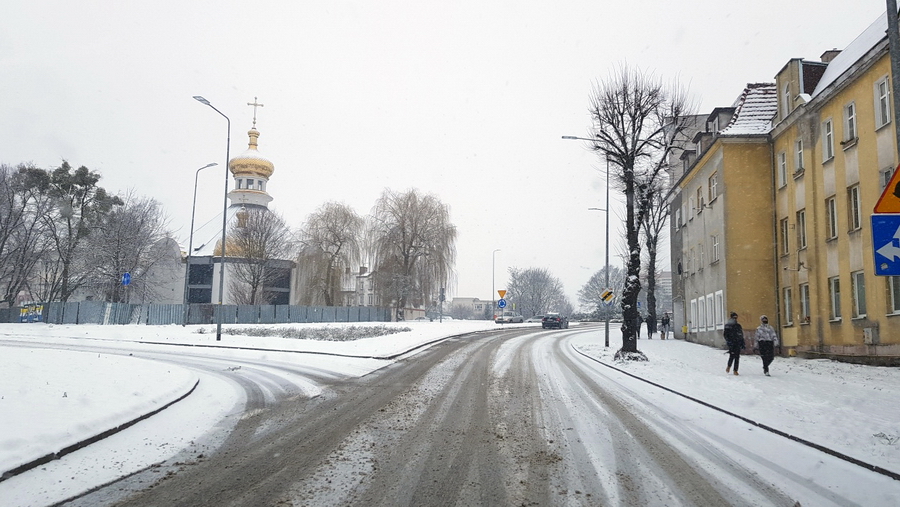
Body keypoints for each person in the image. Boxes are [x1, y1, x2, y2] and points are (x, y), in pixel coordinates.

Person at [724, 311, 744, 375]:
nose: (735, 319)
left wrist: (742, 342)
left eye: (736, 317)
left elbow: (741, 334)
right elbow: (725, 334)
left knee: (737, 357)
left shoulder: (738, 326)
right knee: (732, 355)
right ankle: (729, 366)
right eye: (734, 317)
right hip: (731, 343)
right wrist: (729, 341)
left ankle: (735, 370)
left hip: (737, 342)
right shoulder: (728, 326)